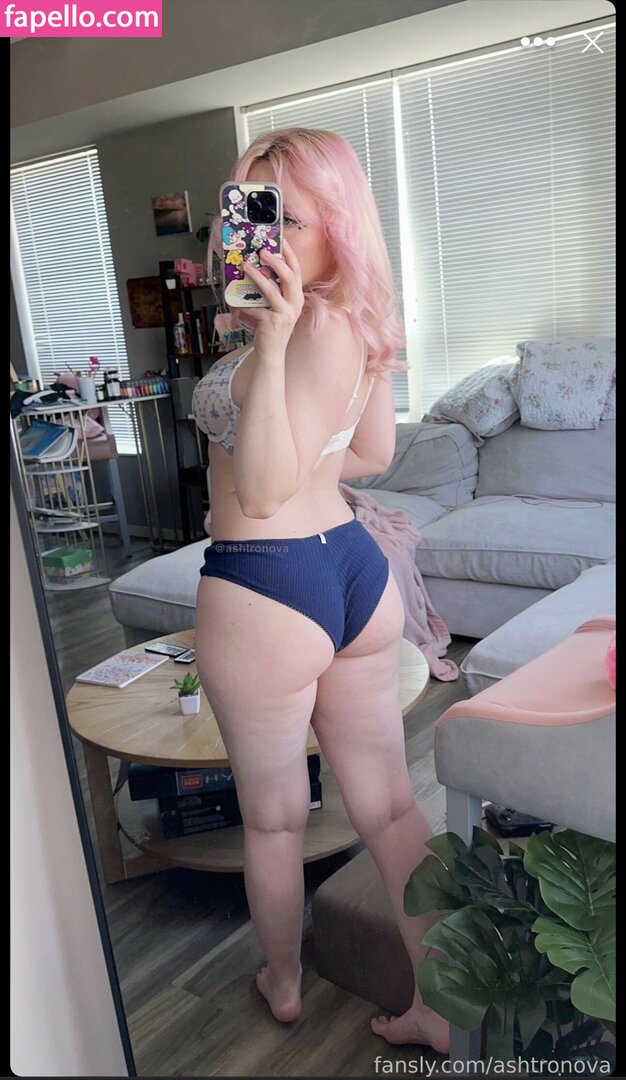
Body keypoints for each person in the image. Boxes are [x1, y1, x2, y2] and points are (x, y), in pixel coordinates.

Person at [192, 128, 449, 1052]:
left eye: (286, 219)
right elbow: (371, 452)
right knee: (389, 807)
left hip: (265, 583)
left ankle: (285, 984)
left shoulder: (302, 326)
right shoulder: (358, 319)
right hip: (351, 568)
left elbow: (262, 492)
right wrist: (287, 393)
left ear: (337, 222)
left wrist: (268, 353)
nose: (259, 238)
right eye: (248, 213)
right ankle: (438, 1009)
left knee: (272, 820)